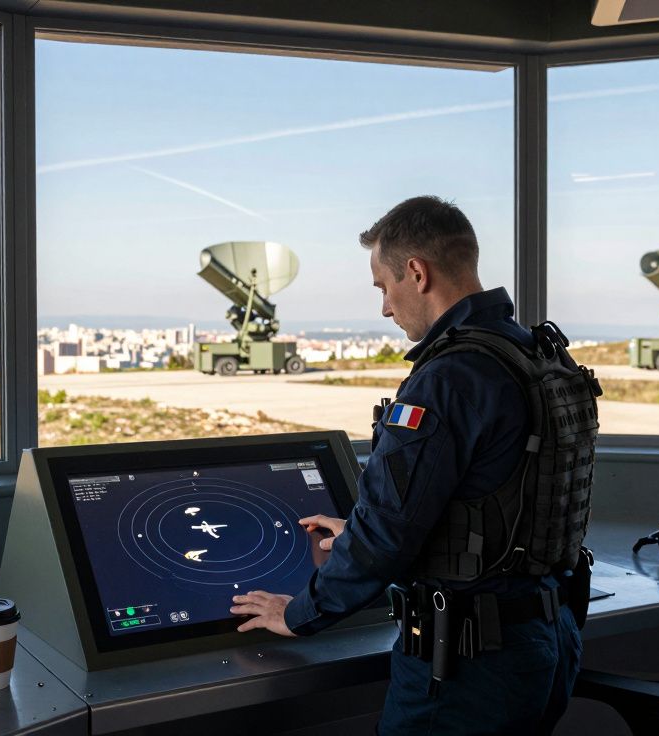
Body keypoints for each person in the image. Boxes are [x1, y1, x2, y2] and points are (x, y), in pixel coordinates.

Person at [230, 196, 587, 735]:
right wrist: (358, 531)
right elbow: (499, 503)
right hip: (548, 639)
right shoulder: (535, 353)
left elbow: (387, 535)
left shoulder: (448, 378)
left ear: (417, 273)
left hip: (468, 664)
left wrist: (300, 613)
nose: (384, 308)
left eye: (383, 287)